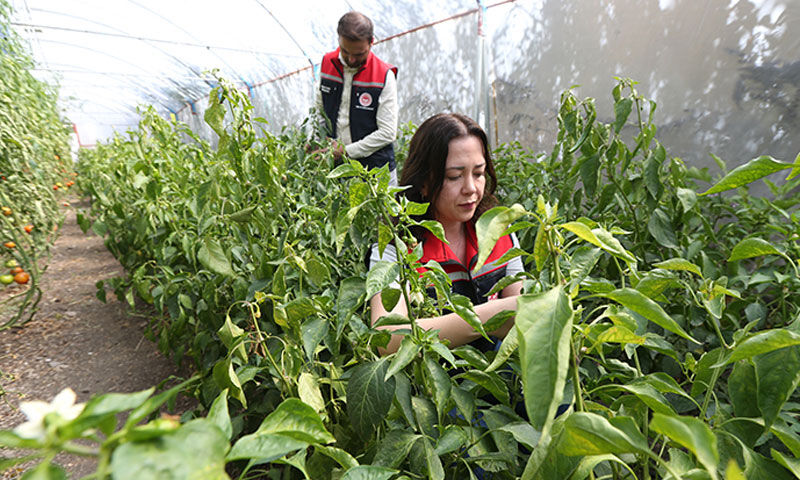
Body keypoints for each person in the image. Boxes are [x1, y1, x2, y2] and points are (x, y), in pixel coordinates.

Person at [368, 113, 524, 354]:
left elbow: (523, 310)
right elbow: (387, 339)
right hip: (433, 386)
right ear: (424, 182)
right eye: (455, 176)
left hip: (500, 379)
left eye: (479, 173)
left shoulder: (498, 232)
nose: (471, 188)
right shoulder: (398, 247)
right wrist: (484, 318)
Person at [314, 11, 399, 184]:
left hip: (376, 170)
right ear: (339, 39)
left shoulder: (383, 75)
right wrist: (317, 141)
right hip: (338, 168)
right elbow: (320, 111)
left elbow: (387, 133)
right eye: (345, 52)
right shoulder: (327, 63)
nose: (351, 59)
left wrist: (346, 150)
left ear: (371, 42)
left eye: (359, 54)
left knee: (381, 211)